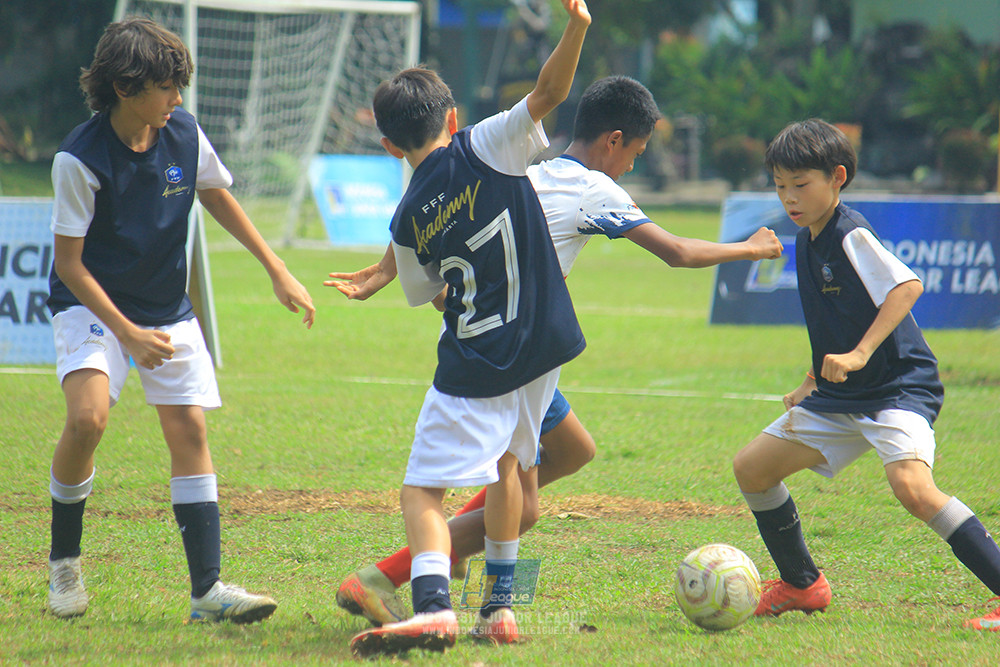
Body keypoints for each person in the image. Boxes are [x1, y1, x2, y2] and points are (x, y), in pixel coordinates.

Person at [328, 76, 784, 628]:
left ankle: (462, 588)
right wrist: (753, 247)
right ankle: (412, 583)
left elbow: (434, 201)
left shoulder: (520, 166)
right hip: (521, 348)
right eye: (635, 153)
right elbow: (679, 252)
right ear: (613, 141)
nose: (633, 167)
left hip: (495, 331)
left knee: (571, 454)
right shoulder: (594, 188)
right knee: (514, 491)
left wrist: (386, 268)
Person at [44, 17, 315, 624]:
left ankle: (207, 592)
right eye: (166, 87)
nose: (177, 98)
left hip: (165, 306)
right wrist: (127, 334)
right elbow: (70, 264)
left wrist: (276, 269)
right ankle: (64, 565)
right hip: (91, 305)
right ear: (124, 87)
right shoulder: (77, 159)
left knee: (189, 432)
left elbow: (216, 193)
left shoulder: (184, 134)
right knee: (88, 419)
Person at [342, 0, 591, 657]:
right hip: (545, 344)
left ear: (389, 144)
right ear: (451, 119)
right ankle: (500, 607)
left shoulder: (405, 218)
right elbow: (549, 92)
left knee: (422, 488)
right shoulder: (485, 142)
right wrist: (577, 26)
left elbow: (432, 295)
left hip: (479, 360)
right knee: (509, 462)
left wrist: (393, 270)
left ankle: (431, 609)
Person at [731, 118, 1000, 629]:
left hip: (896, 389)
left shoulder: (849, 232)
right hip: (840, 396)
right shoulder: (808, 239)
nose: (789, 197)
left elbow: (905, 287)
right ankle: (802, 584)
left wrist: (858, 355)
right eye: (780, 185)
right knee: (753, 469)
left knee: (913, 489)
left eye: (801, 184)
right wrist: (813, 380)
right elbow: (835, 321)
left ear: (838, 177)